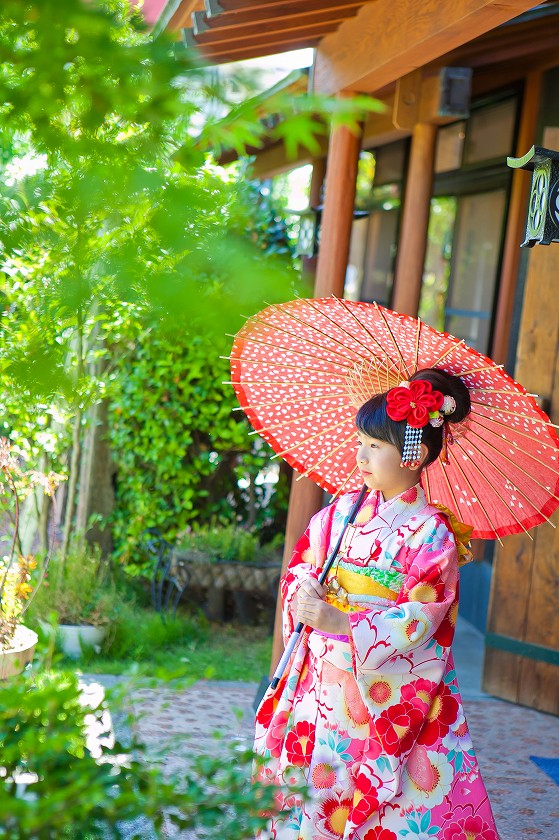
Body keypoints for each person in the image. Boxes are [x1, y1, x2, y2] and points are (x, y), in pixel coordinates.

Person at [253, 368, 499, 840]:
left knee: (354, 779)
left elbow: (423, 615)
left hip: (376, 683)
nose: (361, 456)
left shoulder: (431, 532)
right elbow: (305, 563)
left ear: (414, 453)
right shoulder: (342, 510)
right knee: (312, 770)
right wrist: (305, 591)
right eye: (360, 443)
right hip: (321, 672)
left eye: (375, 446)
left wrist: (344, 622)